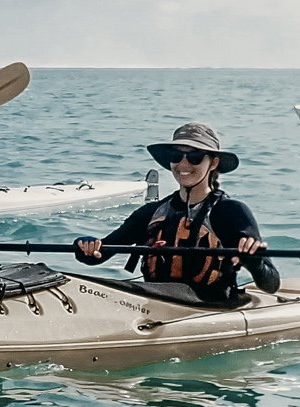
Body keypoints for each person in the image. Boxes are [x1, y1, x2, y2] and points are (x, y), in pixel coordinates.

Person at [73, 122, 279, 306]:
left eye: (195, 156)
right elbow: (99, 255)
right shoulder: (151, 212)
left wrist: (253, 260)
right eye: (176, 156)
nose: (183, 164)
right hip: (157, 303)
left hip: (212, 306)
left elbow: (271, 284)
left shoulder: (231, 212)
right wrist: (86, 247)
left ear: (213, 163)